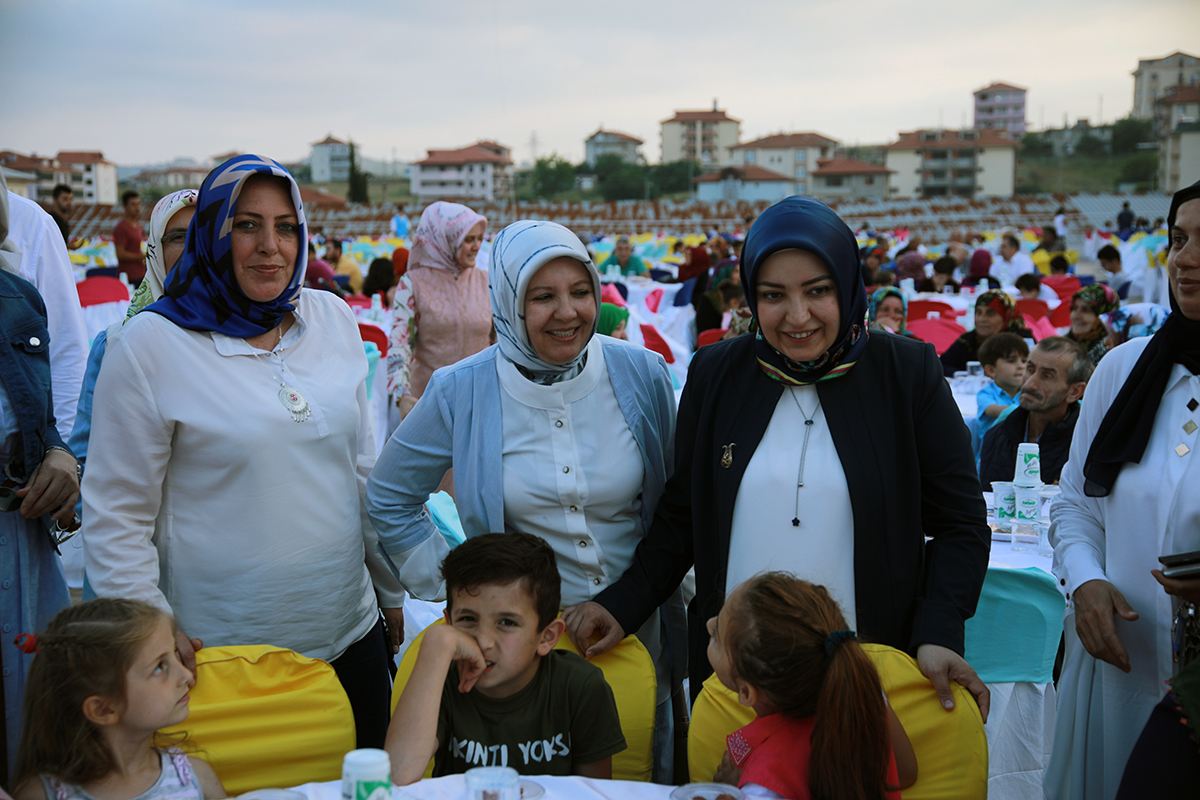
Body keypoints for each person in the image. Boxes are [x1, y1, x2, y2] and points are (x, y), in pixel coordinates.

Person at [562, 195, 992, 723]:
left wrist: (939, 629)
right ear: (750, 296)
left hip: (867, 669)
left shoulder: (905, 374)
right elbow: (683, 516)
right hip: (736, 678)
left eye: (818, 291)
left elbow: (960, 523)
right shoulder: (717, 374)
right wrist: (621, 603)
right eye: (773, 295)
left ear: (848, 285)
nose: (797, 316)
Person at [81, 155, 405, 749]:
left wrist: (390, 594)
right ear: (213, 230)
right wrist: (150, 635)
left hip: (348, 637)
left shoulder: (330, 317)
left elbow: (360, 474)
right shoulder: (150, 344)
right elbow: (116, 514)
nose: (270, 247)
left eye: (285, 226)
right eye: (246, 224)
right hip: (221, 660)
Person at [367, 219, 683, 782]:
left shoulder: (642, 373)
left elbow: (677, 503)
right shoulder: (461, 389)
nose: (568, 312)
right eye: (543, 296)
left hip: (637, 627)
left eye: (580, 291)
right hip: (514, 649)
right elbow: (390, 495)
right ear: (509, 301)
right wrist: (461, 590)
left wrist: (632, 600)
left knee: (636, 771)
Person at [1044, 179, 1200, 800]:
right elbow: (1077, 502)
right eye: (1179, 239)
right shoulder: (1124, 369)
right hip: (1120, 669)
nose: (1185, 259)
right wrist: (1084, 581)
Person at [383, 533, 625, 783]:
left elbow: (593, 793)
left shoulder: (580, 686)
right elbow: (397, 777)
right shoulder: (440, 678)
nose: (484, 641)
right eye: (468, 619)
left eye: (507, 622)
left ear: (547, 637)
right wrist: (437, 643)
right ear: (449, 621)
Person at [708, 573, 917, 800]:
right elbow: (905, 774)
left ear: (747, 693)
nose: (709, 623)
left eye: (716, 635)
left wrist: (736, 791)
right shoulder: (862, 697)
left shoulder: (765, 786)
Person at [11, 598, 225, 800]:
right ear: (103, 709)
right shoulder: (40, 795)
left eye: (174, 654)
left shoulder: (196, 778)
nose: (187, 676)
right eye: (159, 667)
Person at [0, 232, 79, 777]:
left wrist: (59, 455)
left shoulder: (18, 297)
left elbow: (40, 414)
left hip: (16, 539)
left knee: (33, 725)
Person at [69, 190, 199, 492]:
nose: (194, 249)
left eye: (202, 234)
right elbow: (86, 458)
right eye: (178, 237)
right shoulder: (115, 344)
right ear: (155, 247)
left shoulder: (253, 337)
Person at [386, 201, 491, 420]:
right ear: (445, 240)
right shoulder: (414, 283)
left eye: (479, 239)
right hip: (426, 405)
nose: (476, 246)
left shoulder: (487, 282)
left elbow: (501, 341)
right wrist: (402, 395)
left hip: (481, 403)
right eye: (468, 240)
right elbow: (400, 342)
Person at [4, 176, 89, 441]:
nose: (69, 203)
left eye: (71, 198)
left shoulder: (31, 222)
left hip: (16, 469)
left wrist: (63, 448)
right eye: (65, 199)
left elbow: (66, 348)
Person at [979, 336, 1091, 487]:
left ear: (1075, 392)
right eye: (1030, 369)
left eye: (1047, 376)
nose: (1030, 383)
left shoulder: (1086, 445)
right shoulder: (997, 437)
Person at [940, 289, 1033, 377]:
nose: (982, 319)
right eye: (978, 313)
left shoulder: (1022, 341)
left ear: (1006, 317)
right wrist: (963, 375)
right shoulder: (969, 341)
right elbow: (941, 365)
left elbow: (1031, 371)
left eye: (990, 313)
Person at [975, 332, 1028, 440]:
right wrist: (1030, 412)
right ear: (991, 370)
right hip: (992, 454)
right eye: (1011, 361)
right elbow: (994, 410)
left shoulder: (1028, 392)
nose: (1021, 366)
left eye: (1024, 361)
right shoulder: (986, 393)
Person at [1066, 284, 1121, 367]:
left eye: (1086, 310)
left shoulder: (1112, 353)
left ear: (1104, 315)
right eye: (1074, 308)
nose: (1076, 315)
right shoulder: (1065, 343)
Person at [112, 190, 146, 286]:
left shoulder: (138, 225)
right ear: (125, 207)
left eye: (138, 204)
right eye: (133, 204)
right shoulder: (121, 227)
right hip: (128, 276)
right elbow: (121, 254)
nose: (137, 207)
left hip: (141, 272)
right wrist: (142, 256)